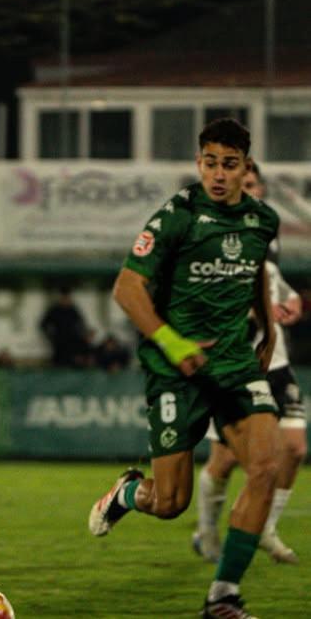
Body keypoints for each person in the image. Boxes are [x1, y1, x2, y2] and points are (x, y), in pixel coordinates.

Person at [87, 118, 281, 619]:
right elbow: (127, 289)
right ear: (199, 163)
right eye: (210, 163)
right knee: (170, 502)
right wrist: (173, 343)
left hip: (236, 363)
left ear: (246, 169)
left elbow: (255, 269)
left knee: (266, 466)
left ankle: (223, 598)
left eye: (229, 165)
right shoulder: (176, 215)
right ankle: (129, 491)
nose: (218, 174)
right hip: (176, 371)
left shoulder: (262, 220)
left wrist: (270, 327)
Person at [192, 162, 306, 564]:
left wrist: (290, 300)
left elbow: (271, 277)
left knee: (294, 448)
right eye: (247, 184)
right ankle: (206, 530)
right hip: (233, 363)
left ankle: (267, 527)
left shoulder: (265, 230)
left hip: (275, 360)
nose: (252, 191)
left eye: (256, 184)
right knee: (224, 461)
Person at [39, 285, 94, 367]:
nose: (66, 300)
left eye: (67, 297)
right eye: (64, 297)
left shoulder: (73, 310)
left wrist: (83, 335)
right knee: (60, 363)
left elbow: (81, 324)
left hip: (72, 342)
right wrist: (51, 336)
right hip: (59, 343)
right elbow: (43, 324)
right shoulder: (55, 310)